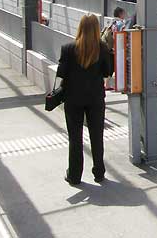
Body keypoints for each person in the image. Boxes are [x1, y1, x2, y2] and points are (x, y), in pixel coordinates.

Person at [56, 14, 112, 185]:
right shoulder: (102, 48)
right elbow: (107, 72)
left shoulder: (68, 48)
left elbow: (61, 73)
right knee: (97, 136)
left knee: (75, 137)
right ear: (96, 29)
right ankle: (99, 173)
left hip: (73, 98)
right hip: (95, 98)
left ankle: (74, 175)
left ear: (80, 27)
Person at [102, 7, 126, 90]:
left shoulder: (112, 22)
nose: (125, 15)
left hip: (111, 48)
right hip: (118, 48)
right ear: (120, 14)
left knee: (111, 66)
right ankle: (119, 85)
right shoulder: (121, 24)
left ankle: (107, 84)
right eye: (124, 13)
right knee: (118, 67)